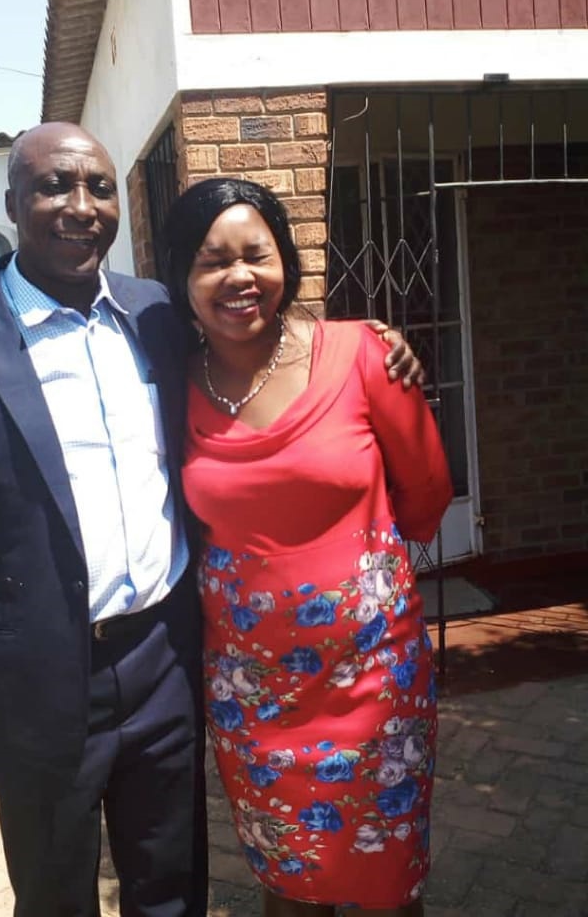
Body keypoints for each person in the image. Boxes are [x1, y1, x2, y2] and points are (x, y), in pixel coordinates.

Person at [0, 122, 422, 917]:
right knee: (56, 896)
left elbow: (269, 346)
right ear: (12, 203)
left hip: (165, 662)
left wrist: (377, 339)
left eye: (99, 187)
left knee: (172, 890)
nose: (81, 205)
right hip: (37, 684)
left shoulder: (160, 315)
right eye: (54, 185)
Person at [162, 177, 453, 917]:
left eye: (255, 255)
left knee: (387, 884)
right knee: (287, 885)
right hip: (251, 695)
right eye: (211, 261)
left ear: (286, 261)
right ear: (182, 279)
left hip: (374, 683)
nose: (238, 276)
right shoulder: (167, 384)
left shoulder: (365, 355)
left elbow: (427, 497)